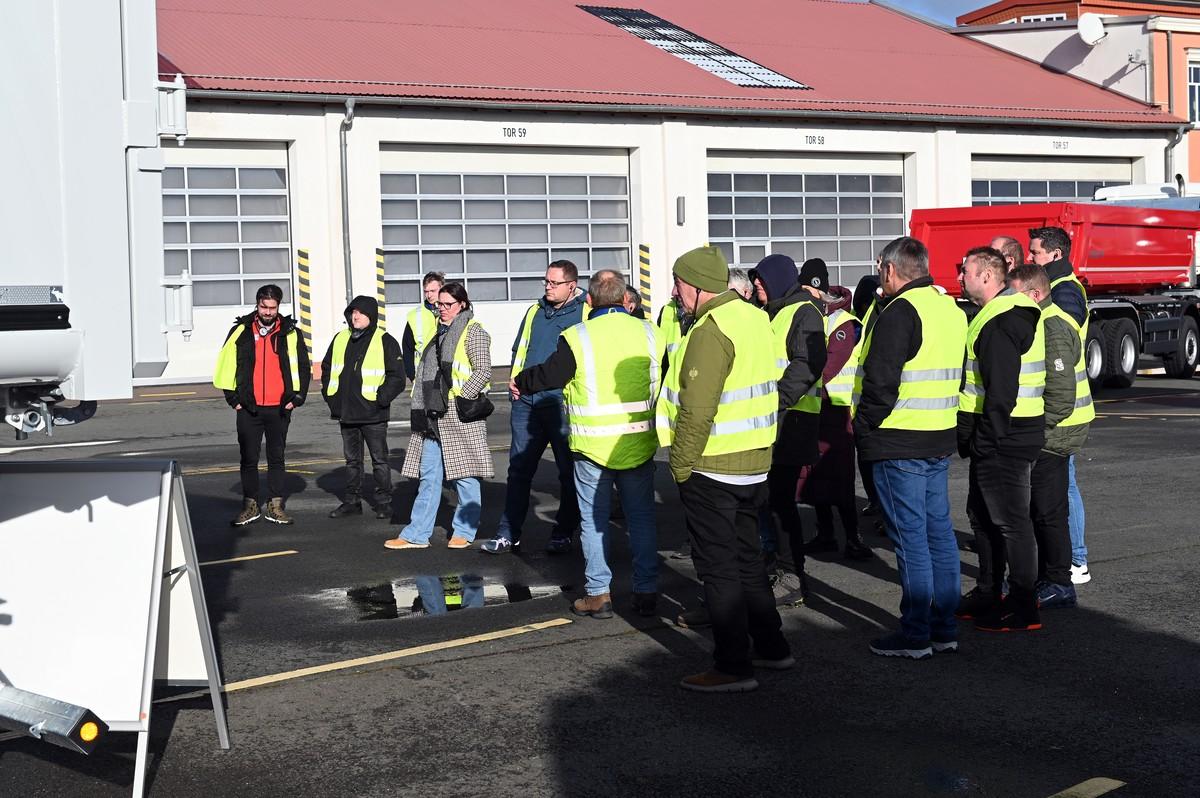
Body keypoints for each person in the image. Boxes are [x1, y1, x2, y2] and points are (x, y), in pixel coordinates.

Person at [657, 245, 792, 693]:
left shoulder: (709, 330)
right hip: (754, 461)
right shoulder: (754, 317)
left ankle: (732, 665)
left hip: (713, 467)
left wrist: (680, 466)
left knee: (718, 570)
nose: (674, 292)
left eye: (678, 283)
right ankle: (772, 647)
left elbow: (697, 412)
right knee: (749, 561)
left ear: (696, 287)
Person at [513, 270, 661, 619]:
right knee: (641, 520)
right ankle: (647, 590)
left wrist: (521, 380)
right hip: (637, 442)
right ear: (626, 300)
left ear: (589, 300)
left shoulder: (578, 336)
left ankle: (598, 594)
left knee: (593, 521)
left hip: (592, 447)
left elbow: (549, 374)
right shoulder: (652, 333)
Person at [854, 238, 966, 659]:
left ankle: (916, 632)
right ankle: (943, 628)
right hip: (937, 436)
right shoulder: (948, 309)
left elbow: (881, 383)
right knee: (938, 536)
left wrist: (863, 428)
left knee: (911, 540)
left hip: (898, 440)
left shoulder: (899, 312)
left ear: (889, 270)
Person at [956, 246, 1046, 632]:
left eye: (966, 272)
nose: (961, 277)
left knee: (1010, 522)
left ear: (988, 277)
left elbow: (1002, 393)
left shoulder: (1001, 321)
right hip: (1003, 434)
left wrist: (987, 441)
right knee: (982, 517)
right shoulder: (997, 314)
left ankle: (1023, 604)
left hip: (1004, 437)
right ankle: (990, 591)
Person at [481, 261, 586, 554]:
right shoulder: (535, 311)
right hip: (526, 401)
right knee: (518, 470)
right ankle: (508, 532)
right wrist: (515, 383)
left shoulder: (584, 312)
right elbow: (520, 349)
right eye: (546, 282)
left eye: (554, 283)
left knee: (568, 472)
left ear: (571, 286)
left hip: (561, 403)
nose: (548, 287)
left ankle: (563, 532)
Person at [1008, 263, 1094, 609]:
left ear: (1034, 294)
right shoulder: (1039, 321)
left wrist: (1035, 432)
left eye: (1014, 295)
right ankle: (1048, 575)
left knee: (1048, 509)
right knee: (1039, 507)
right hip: (1051, 428)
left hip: (1058, 431)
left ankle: (1059, 581)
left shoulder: (1052, 326)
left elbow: (1061, 394)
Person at [385, 282, 493, 550]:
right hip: (433, 416)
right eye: (439, 304)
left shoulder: (474, 332)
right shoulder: (438, 333)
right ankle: (416, 534)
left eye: (448, 305)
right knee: (429, 476)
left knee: (466, 477)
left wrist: (459, 398)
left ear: (463, 305)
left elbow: (483, 371)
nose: (441, 309)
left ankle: (464, 531)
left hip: (458, 414)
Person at [752, 254, 825, 604]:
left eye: (762, 281)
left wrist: (776, 400)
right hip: (775, 421)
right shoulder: (773, 314)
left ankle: (792, 576)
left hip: (793, 420)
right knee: (770, 501)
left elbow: (808, 362)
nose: (756, 286)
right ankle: (779, 566)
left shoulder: (803, 312)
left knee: (781, 504)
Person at [213, 283, 311, 526]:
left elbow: (302, 367)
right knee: (248, 458)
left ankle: (275, 505)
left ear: (279, 307)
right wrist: (233, 399)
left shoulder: (291, 333)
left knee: (276, 457)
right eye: (263, 307)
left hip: (279, 407)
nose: (268, 312)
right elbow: (227, 364)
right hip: (249, 407)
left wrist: (297, 398)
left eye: (272, 307)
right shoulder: (240, 331)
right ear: (257, 305)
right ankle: (250, 505)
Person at [795, 259, 873, 560]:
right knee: (816, 477)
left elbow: (825, 368)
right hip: (815, 410)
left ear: (816, 288)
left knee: (840, 480)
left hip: (838, 413)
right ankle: (825, 534)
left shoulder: (843, 323)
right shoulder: (811, 316)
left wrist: (793, 381)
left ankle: (853, 537)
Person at [1028, 226, 1091, 585]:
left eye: (1035, 252)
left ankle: (1076, 559)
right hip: (1066, 407)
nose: (1030, 256)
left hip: (1066, 411)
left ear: (1054, 254)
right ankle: (1070, 559)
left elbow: (1058, 344)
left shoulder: (1064, 294)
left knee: (1062, 489)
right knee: (1060, 488)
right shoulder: (1059, 288)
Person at [321, 296, 405, 519]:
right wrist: (331, 398)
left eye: (360, 313)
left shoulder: (385, 340)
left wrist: (379, 399)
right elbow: (328, 368)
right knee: (352, 461)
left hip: (373, 414)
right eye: (352, 312)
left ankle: (384, 502)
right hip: (346, 413)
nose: (355, 316)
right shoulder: (340, 338)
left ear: (371, 316)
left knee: (379, 461)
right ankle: (351, 501)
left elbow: (397, 377)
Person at [402, 271, 444, 385]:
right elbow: (407, 348)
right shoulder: (415, 315)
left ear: (442, 288)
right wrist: (412, 376)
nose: (429, 295)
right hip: (423, 376)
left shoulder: (451, 311)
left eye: (433, 291)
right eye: (426, 291)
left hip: (446, 375)